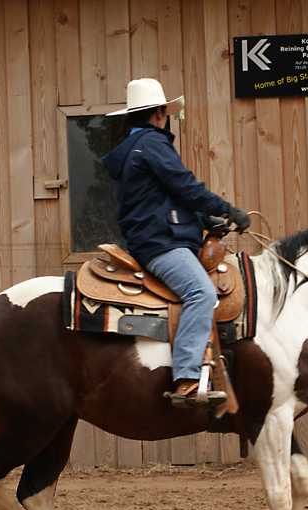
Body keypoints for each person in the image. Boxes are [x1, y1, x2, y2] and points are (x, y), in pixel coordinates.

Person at [102, 78, 250, 407]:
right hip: (161, 244)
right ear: (158, 114)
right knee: (201, 292)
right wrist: (227, 210)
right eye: (164, 113)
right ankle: (186, 375)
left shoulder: (135, 148)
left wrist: (202, 221)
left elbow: (164, 200)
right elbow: (186, 187)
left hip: (153, 238)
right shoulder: (153, 145)